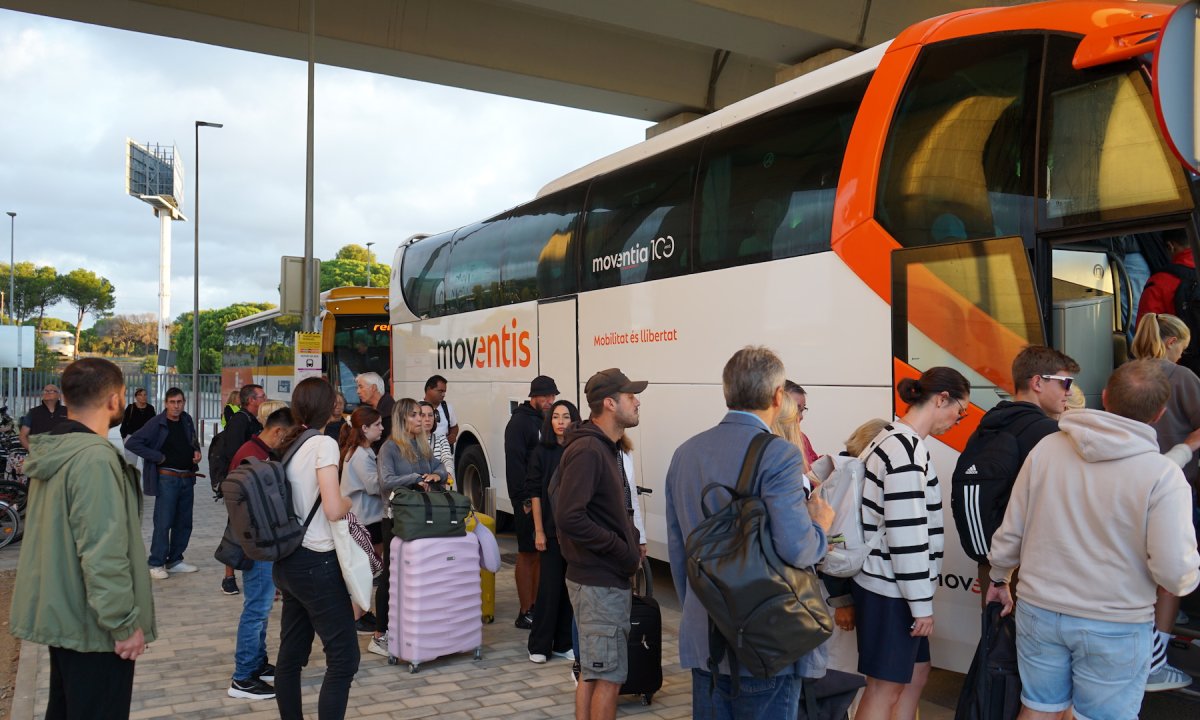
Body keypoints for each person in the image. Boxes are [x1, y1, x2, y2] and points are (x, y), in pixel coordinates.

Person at [987, 360, 1200, 720]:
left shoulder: (1048, 449)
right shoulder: (1163, 476)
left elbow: (1012, 531)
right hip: (1115, 622)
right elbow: (1174, 569)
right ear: (1160, 413)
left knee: (1038, 707)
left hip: (1040, 610)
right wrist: (1186, 579)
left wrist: (998, 577)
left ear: (1105, 397)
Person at [665, 347, 834, 719]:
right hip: (765, 638)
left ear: (727, 393)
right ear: (778, 397)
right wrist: (821, 526)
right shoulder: (779, 455)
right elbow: (797, 549)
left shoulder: (685, 453)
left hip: (704, 634)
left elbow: (680, 553)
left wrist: (703, 606)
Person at [10, 358, 155, 720]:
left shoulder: (57, 449)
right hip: (95, 628)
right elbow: (102, 551)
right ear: (113, 400)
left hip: (66, 616)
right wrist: (122, 624)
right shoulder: (93, 459)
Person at [853, 366, 970, 720]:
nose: (958, 420)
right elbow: (908, 533)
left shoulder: (893, 439)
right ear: (941, 398)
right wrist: (921, 605)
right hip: (892, 590)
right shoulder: (904, 450)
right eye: (959, 411)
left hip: (889, 585)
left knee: (915, 674)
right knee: (884, 689)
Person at [553, 368, 645, 720]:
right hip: (598, 581)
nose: (637, 402)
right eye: (630, 396)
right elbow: (568, 516)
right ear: (610, 403)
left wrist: (631, 541)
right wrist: (620, 549)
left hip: (599, 579)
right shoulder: (590, 450)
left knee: (594, 674)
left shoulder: (601, 446)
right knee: (607, 678)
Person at [952, 345, 1079, 604]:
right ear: (1037, 383)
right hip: (1032, 568)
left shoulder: (987, 426)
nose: (1069, 392)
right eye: (1065, 382)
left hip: (993, 566)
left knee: (998, 638)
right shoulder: (1049, 434)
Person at [272, 378, 360, 719]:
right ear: (327, 408)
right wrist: (351, 500)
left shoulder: (291, 443)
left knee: (290, 659)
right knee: (344, 659)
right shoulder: (323, 444)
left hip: (290, 561)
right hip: (317, 564)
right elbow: (333, 508)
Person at [1129, 312, 1200, 689]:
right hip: (1173, 486)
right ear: (1170, 342)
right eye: (1183, 348)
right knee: (1171, 574)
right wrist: (1184, 451)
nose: (1183, 356)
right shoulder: (1181, 377)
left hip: (1130, 486)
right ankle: (1157, 659)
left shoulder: (1125, 373)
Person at [368, 397, 449, 658]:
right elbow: (386, 481)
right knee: (392, 576)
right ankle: (379, 634)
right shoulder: (390, 448)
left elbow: (439, 468)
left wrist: (438, 475)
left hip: (420, 518)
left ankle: (409, 628)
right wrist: (416, 479)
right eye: (414, 415)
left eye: (421, 415)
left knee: (417, 575)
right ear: (403, 419)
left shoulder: (421, 445)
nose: (421, 419)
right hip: (394, 519)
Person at [225, 403, 295, 701]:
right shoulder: (250, 456)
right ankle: (242, 677)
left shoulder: (259, 452)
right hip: (258, 547)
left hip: (262, 545)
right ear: (277, 431)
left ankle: (257, 663)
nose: (287, 443)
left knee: (262, 608)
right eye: (287, 437)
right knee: (256, 609)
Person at [125, 387, 202, 580]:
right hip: (167, 478)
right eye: (172, 402)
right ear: (166, 404)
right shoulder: (156, 423)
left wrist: (196, 452)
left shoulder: (186, 419)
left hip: (187, 478)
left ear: (184, 403)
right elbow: (133, 443)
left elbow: (192, 440)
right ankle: (156, 562)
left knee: (184, 523)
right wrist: (158, 457)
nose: (176, 406)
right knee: (163, 521)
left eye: (179, 402)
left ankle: (175, 560)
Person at [525, 399, 580, 664]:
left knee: (569, 590)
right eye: (556, 417)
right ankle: (539, 644)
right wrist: (538, 531)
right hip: (549, 529)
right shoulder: (541, 452)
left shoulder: (579, 449)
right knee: (549, 589)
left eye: (566, 417)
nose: (560, 422)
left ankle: (563, 642)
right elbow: (534, 494)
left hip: (575, 532)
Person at [505, 374, 560, 629]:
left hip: (544, 499)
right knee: (527, 554)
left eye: (552, 396)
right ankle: (525, 610)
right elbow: (514, 464)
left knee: (540, 554)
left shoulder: (545, 420)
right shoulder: (519, 423)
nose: (550, 401)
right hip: (527, 499)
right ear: (533, 397)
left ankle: (536, 605)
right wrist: (522, 499)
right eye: (545, 396)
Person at [338, 404, 385, 635]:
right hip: (366, 518)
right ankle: (358, 615)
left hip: (365, 516)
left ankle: (362, 613)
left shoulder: (359, 451)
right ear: (364, 428)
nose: (382, 428)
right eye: (377, 425)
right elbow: (374, 485)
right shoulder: (360, 456)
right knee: (366, 568)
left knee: (366, 567)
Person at [218, 384, 267, 594]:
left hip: (250, 485)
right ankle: (228, 577)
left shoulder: (253, 420)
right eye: (262, 396)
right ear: (251, 400)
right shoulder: (240, 421)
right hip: (240, 484)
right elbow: (234, 453)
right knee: (235, 529)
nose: (265, 398)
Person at [18, 383, 68, 450]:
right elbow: (22, 436)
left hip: (63, 451)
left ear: (59, 395)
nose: (47, 392)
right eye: (45, 391)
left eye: (51, 391)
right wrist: (32, 451)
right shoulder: (33, 412)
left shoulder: (67, 412)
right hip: (40, 452)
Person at [355, 372, 394, 452]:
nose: (358, 391)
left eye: (361, 387)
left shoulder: (391, 413)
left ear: (373, 388)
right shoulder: (367, 410)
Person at [784, 380, 818, 467]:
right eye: (796, 409)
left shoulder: (802, 438)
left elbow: (814, 466)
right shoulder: (765, 441)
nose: (801, 416)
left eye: (802, 410)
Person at [119, 388, 155, 467]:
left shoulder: (150, 408)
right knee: (131, 466)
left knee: (148, 466)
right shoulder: (130, 408)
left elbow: (154, 425)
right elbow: (124, 425)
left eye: (145, 395)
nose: (143, 397)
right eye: (140, 395)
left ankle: (147, 480)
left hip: (146, 440)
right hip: (132, 438)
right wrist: (125, 439)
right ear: (136, 397)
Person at [418, 401, 455, 479]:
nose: (427, 419)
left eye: (430, 415)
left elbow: (447, 458)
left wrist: (447, 473)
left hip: (437, 488)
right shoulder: (409, 440)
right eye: (423, 415)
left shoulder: (441, 438)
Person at [424, 374, 458, 447]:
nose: (443, 394)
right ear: (429, 389)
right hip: (424, 452)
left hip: (445, 453)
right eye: (440, 391)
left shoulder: (447, 407)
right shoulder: (417, 408)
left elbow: (454, 426)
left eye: (444, 392)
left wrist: (453, 435)